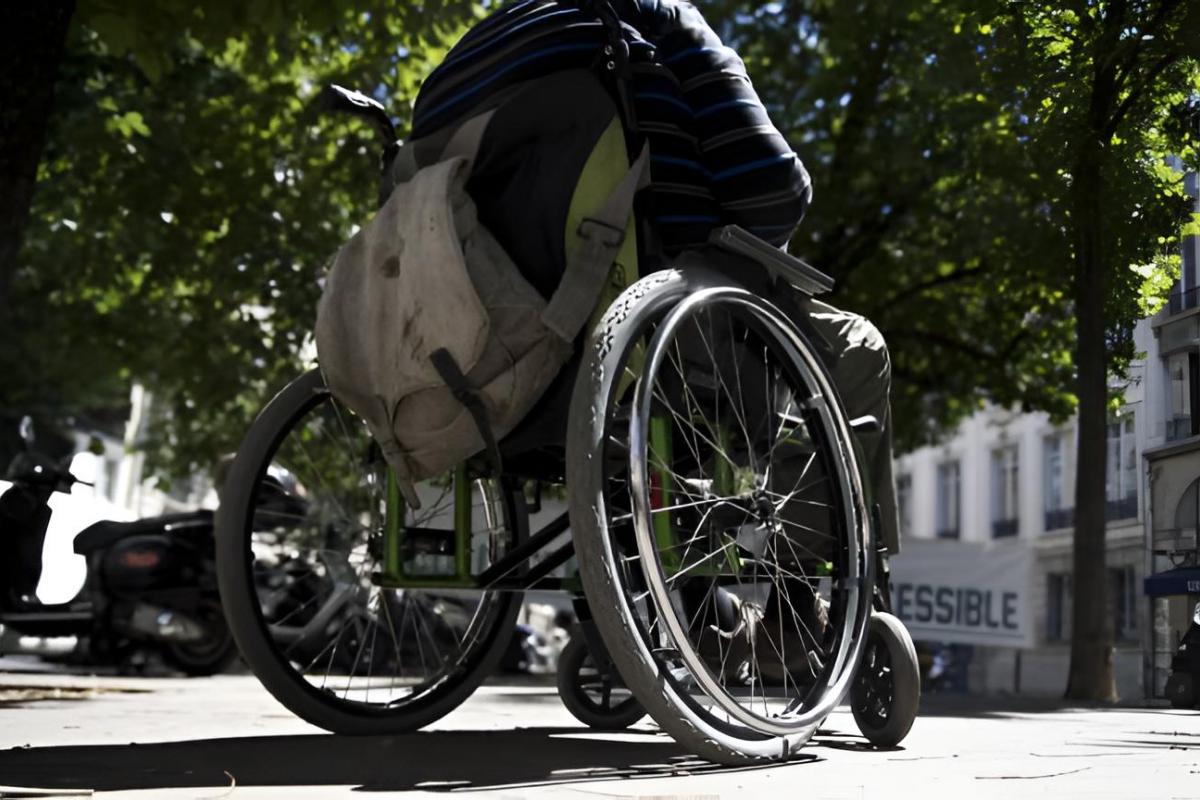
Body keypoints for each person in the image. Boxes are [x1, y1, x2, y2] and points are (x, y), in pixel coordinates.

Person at [411, 0, 899, 681]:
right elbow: (769, 187)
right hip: (659, 319)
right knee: (856, 348)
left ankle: (684, 616)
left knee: (659, 388)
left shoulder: (459, 67)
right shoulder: (652, 17)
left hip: (500, 342)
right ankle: (800, 609)